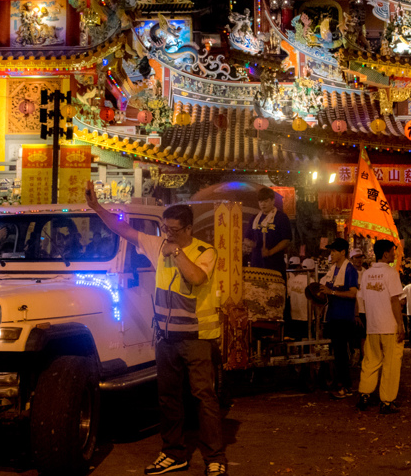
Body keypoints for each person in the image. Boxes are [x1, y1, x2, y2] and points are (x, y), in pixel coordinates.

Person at [84, 181, 227, 476]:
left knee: (204, 398)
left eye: (173, 229)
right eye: (164, 228)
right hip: (166, 337)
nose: (167, 234)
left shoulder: (205, 251)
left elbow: (197, 278)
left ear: (188, 229)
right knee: (168, 398)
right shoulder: (158, 244)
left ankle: (215, 457)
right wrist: (97, 207)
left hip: (196, 338)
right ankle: (174, 453)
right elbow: (123, 230)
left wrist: (176, 252)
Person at [355, 240, 405, 414]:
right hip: (389, 325)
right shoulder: (391, 273)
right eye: (392, 251)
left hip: (373, 325)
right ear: (385, 254)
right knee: (391, 363)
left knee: (371, 361)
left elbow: (360, 299)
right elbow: (394, 300)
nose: (394, 254)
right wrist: (400, 324)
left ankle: (364, 394)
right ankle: (387, 401)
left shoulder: (367, 274)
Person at [321, 238, 360, 399]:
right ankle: (340, 383)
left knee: (341, 353)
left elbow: (352, 293)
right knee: (337, 352)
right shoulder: (333, 270)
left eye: (334, 251)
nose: (331, 254)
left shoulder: (349, 270)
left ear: (342, 252)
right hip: (333, 315)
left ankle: (345, 385)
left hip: (344, 316)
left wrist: (332, 293)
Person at [249, 188, 291, 274]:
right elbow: (247, 237)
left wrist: (270, 252)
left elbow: (286, 240)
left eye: (266, 201)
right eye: (260, 202)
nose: (263, 204)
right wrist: (251, 243)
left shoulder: (281, 217)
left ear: (273, 201)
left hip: (274, 264)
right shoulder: (254, 218)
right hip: (257, 263)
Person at [285, 257, 315, 340]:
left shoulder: (293, 279)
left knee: (297, 339)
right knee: (306, 339)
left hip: (294, 315)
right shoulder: (311, 281)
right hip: (306, 316)